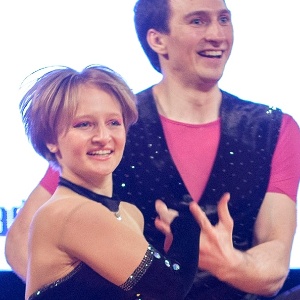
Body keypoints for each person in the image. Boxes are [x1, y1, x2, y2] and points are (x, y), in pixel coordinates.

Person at [5, 0, 300, 299]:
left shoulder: (274, 128)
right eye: (197, 21)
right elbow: (20, 243)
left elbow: (274, 267)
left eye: (224, 19)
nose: (216, 34)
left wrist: (228, 262)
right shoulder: (111, 121)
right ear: (157, 38)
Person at [17, 64, 202, 300]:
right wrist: (188, 224)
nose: (103, 138)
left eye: (114, 122)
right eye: (84, 124)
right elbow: (168, 287)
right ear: (51, 139)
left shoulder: (129, 213)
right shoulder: (69, 213)